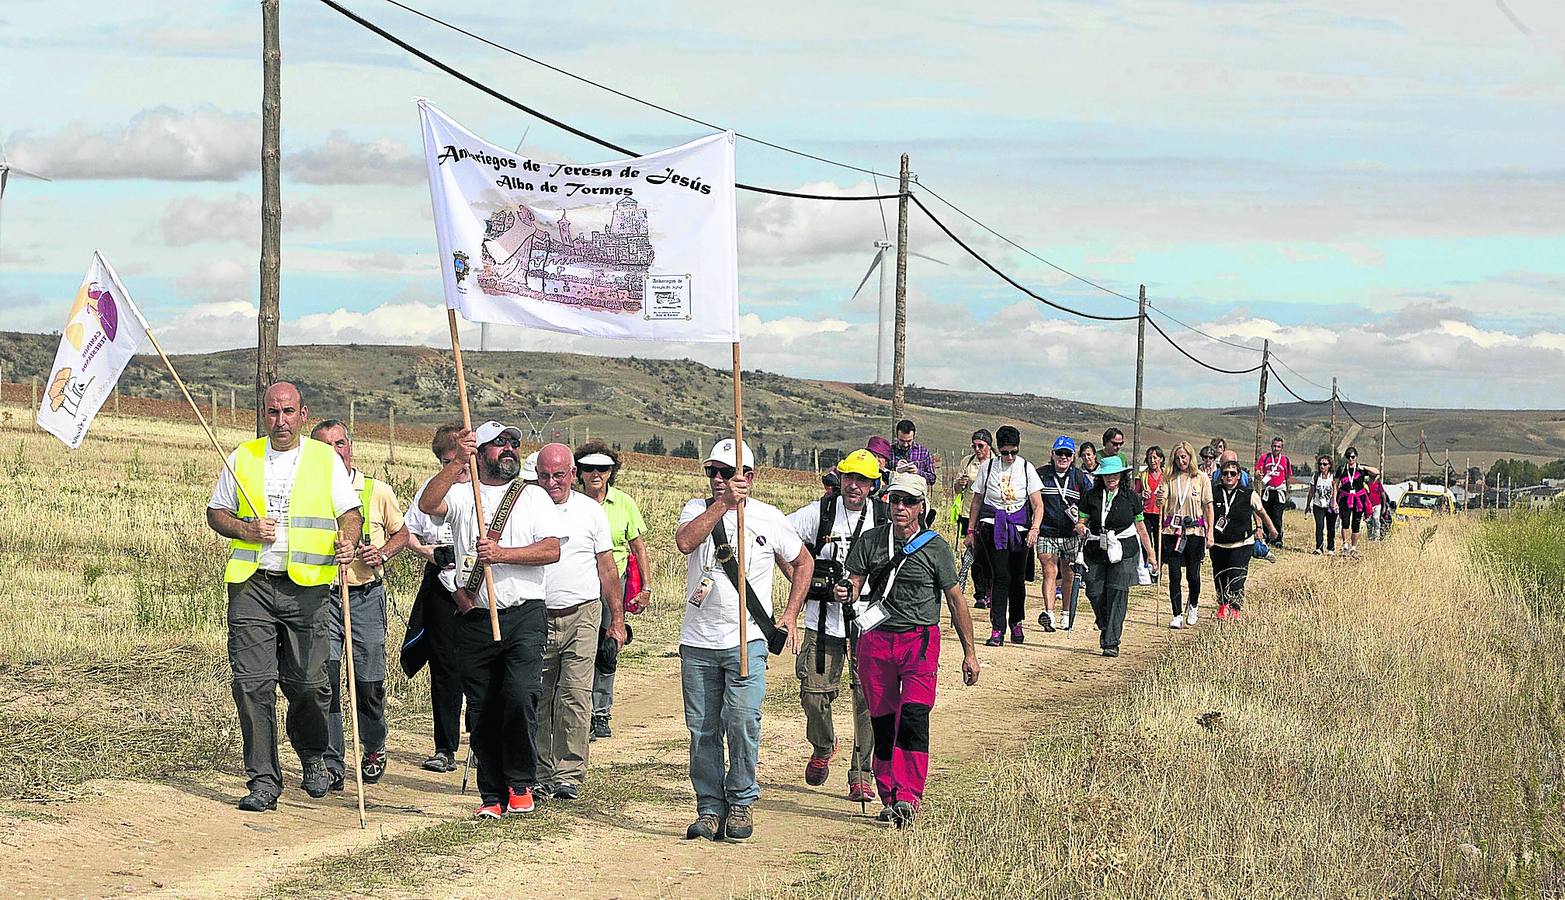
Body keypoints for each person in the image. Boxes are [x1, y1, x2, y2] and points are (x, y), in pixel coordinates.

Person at [204, 382, 361, 812]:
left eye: (288, 412)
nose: (281, 421)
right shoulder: (243, 457)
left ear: (303, 414)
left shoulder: (324, 459)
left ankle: (312, 754)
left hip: (308, 589)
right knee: (251, 685)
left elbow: (350, 514)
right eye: (273, 412)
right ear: (263, 415)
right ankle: (263, 781)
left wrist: (348, 540)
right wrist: (245, 529)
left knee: (309, 684)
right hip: (252, 585)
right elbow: (216, 512)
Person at [417, 421, 566, 820]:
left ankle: (520, 781)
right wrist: (456, 463)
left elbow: (551, 550)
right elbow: (427, 505)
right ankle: (492, 794)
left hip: (524, 614)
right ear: (479, 453)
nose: (509, 448)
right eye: (498, 443)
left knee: (519, 695)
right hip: (477, 616)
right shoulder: (463, 495)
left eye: (513, 442)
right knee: (482, 707)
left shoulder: (533, 496)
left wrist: (502, 555)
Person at [675, 439, 813, 843]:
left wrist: (789, 615)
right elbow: (685, 542)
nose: (718, 479)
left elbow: (803, 563)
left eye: (727, 472)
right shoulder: (696, 509)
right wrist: (723, 505)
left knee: (742, 721)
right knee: (702, 729)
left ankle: (740, 800)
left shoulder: (769, 517)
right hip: (699, 641)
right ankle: (709, 807)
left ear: (748, 477)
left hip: (747, 639)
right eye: (712, 472)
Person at [839, 472, 980, 827]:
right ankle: (889, 796)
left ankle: (909, 796)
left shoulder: (936, 547)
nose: (900, 507)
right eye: (895, 500)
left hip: (919, 642)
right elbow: (854, 582)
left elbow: (955, 600)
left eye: (909, 501)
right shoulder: (871, 540)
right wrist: (846, 591)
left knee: (914, 717)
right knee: (883, 722)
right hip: (876, 640)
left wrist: (970, 652)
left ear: (921, 507)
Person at [311, 419, 409, 791]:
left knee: (367, 684)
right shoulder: (310, 492)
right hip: (323, 597)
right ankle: (332, 761)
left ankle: (373, 744)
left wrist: (380, 553)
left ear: (350, 447)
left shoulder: (376, 491)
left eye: (339, 444)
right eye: (325, 446)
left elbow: (402, 533)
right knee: (326, 682)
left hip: (365, 597)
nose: (334, 452)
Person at [785, 449, 885, 802]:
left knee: (867, 700)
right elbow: (779, 537)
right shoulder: (821, 512)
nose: (854, 485)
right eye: (849, 477)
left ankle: (861, 774)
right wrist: (799, 577)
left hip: (869, 621)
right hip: (821, 617)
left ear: (873, 485)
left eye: (862, 480)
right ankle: (823, 745)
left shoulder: (883, 519)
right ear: (840, 478)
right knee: (813, 695)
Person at [534, 444, 626, 800]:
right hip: (537, 615)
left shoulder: (590, 511)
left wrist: (616, 619)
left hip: (583, 613)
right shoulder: (527, 507)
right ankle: (539, 771)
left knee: (575, 694)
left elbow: (607, 568)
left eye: (559, 475)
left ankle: (568, 773)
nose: (552, 482)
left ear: (573, 474)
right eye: (544, 475)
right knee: (539, 695)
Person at [573, 440, 650, 742]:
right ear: (579, 472)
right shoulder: (570, 502)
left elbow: (638, 547)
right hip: (579, 583)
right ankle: (579, 712)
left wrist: (646, 587)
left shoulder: (624, 503)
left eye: (602, 468)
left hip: (612, 584)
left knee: (607, 649)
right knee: (579, 649)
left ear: (611, 472)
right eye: (589, 468)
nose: (596, 474)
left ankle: (601, 713)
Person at [402, 424, 468, 773]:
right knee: (444, 667)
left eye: (462, 461)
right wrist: (428, 552)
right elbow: (406, 532)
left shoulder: (484, 490)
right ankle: (445, 747)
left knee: (482, 665)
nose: (456, 469)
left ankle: (482, 740)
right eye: (447, 462)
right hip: (442, 586)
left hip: (480, 587)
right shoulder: (429, 491)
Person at [964, 425, 1042, 647]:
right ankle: (997, 627)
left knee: (1017, 579)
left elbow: (1038, 505)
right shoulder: (988, 468)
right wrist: (970, 531)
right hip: (993, 528)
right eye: (1005, 452)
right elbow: (977, 501)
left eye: (1013, 452)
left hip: (1019, 531)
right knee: (1000, 577)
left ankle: (1016, 622)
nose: (1009, 457)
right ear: (998, 449)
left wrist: (1034, 529)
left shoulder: (1026, 468)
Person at [1073, 455, 1156, 657]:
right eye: (1107, 474)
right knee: (1094, 591)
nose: (1111, 478)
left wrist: (1151, 554)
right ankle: (1105, 624)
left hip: (1125, 549)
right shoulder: (1091, 496)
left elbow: (1141, 527)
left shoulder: (1131, 497)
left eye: (1115, 474)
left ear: (1121, 475)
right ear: (1100, 476)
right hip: (1096, 548)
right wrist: (1081, 527)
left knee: (1117, 592)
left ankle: (1111, 642)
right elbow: (1081, 521)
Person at [1035, 436, 1093, 632]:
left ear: (1073, 457)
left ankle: (1066, 613)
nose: (1063, 457)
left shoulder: (1079, 477)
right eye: (1059, 453)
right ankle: (1049, 613)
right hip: (1046, 532)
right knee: (1049, 571)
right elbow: (1032, 501)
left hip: (1071, 534)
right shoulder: (1041, 475)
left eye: (1067, 454)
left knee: (1068, 573)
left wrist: (1082, 523)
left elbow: (1089, 503)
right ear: (1052, 454)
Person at [1209, 459, 1277, 622]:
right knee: (1220, 576)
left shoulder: (1248, 494)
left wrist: (1271, 529)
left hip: (1242, 544)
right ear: (1221, 476)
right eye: (1226, 473)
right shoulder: (1213, 492)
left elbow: (1261, 512)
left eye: (1233, 473)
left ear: (1239, 476)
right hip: (1218, 544)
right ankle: (1223, 604)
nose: (1229, 476)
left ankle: (1235, 608)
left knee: (1237, 577)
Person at [1157, 441, 1214, 629]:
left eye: (1184, 457)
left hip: (1194, 532)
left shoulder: (1201, 478)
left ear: (1190, 457)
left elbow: (1208, 507)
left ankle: (1193, 605)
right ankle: (1176, 614)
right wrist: (1160, 500)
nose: (1181, 461)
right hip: (1172, 531)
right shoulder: (1169, 478)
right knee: (1174, 575)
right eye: (1177, 458)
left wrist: (1210, 533)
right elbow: (1162, 501)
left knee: (1193, 575)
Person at [953, 430, 994, 609]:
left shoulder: (996, 463)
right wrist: (960, 484)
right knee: (974, 556)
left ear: (989, 446)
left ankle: (992, 591)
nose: (977, 449)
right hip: (969, 514)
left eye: (981, 446)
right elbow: (956, 489)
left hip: (990, 515)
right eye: (974, 446)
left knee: (990, 555)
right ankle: (980, 594)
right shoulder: (967, 462)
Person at [1335, 447, 1378, 555]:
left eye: (1353, 457)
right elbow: (1335, 484)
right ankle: (1345, 546)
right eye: (1348, 457)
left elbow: (1377, 472)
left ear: (1356, 457)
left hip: (1358, 499)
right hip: (1345, 498)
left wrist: (1364, 467)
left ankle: (1353, 548)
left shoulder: (1361, 469)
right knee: (1345, 522)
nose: (1351, 459)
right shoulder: (1342, 469)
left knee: (1356, 523)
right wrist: (1334, 500)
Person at [1255, 437, 1292, 547]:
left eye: (1278, 447)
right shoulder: (1264, 458)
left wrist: (1287, 490)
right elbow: (1257, 471)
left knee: (1277, 516)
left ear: (1282, 448)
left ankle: (1278, 539)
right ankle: (1266, 537)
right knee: (1265, 514)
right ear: (1271, 446)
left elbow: (1287, 476)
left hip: (1279, 490)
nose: (1276, 448)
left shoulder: (1285, 460)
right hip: (1267, 490)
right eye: (1274, 446)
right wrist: (1258, 475)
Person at [1138, 446, 1165, 578]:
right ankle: (1147, 568)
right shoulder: (1143, 475)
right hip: (1146, 512)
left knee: (1160, 542)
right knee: (1146, 541)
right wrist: (1141, 495)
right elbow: (1135, 494)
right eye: (1150, 457)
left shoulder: (1166, 476)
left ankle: (1158, 568)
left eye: (1155, 457)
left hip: (1161, 513)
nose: (1152, 460)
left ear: (1161, 459)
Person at [1308, 455, 1339, 555]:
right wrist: (1308, 504)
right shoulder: (1316, 476)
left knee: (1331, 527)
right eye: (1320, 464)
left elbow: (1336, 490)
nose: (1322, 466)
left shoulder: (1333, 476)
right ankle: (1319, 548)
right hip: (1318, 505)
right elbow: (1311, 491)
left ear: (1330, 465)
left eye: (1325, 464)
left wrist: (1334, 502)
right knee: (1319, 526)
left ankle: (1331, 548)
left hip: (1330, 506)